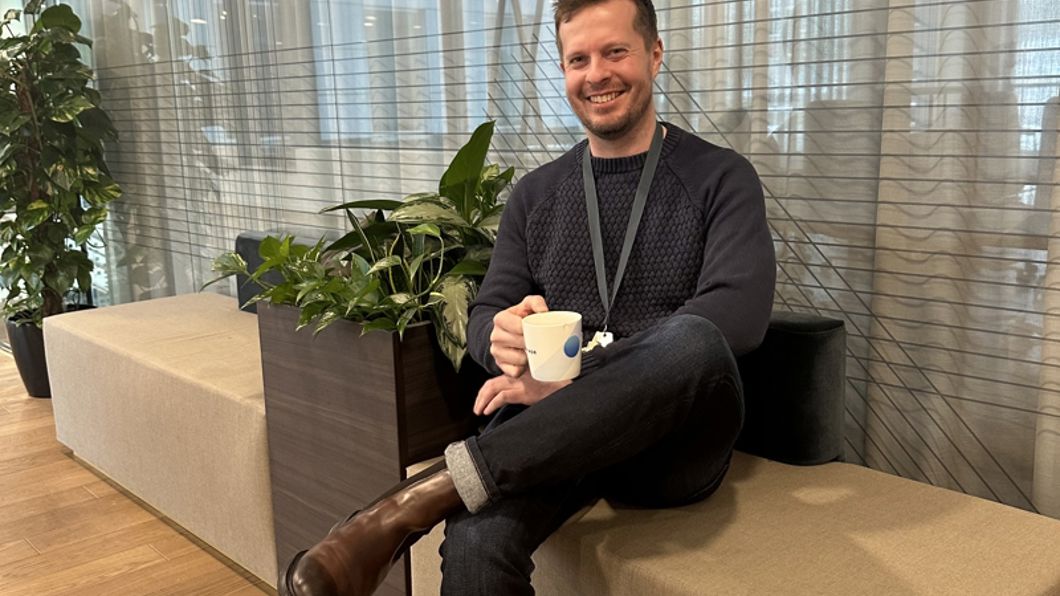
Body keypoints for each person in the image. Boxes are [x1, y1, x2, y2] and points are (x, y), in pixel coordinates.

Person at [279, 0, 775, 594]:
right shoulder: (536, 194)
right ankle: (436, 498)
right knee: (475, 538)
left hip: (673, 445)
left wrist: (577, 379)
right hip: (557, 435)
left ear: (654, 54)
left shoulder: (721, 177)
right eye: (578, 59)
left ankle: (405, 506)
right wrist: (501, 336)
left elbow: (739, 316)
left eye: (615, 51)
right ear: (563, 70)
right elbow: (486, 314)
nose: (597, 74)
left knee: (694, 339)